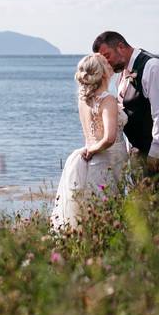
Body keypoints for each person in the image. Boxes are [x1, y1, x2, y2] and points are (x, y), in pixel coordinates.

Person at [92, 31, 159, 190]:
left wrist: (156, 153)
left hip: (156, 150)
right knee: (140, 205)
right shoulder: (123, 72)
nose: (106, 63)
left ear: (121, 47)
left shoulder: (153, 67)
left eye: (107, 56)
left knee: (153, 203)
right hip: (137, 150)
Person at [50, 53, 128, 230]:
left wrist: (91, 150)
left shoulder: (83, 100)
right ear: (102, 72)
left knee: (89, 210)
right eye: (106, 64)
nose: (110, 66)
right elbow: (109, 138)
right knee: (108, 208)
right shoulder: (107, 100)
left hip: (90, 160)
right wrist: (93, 151)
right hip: (107, 159)